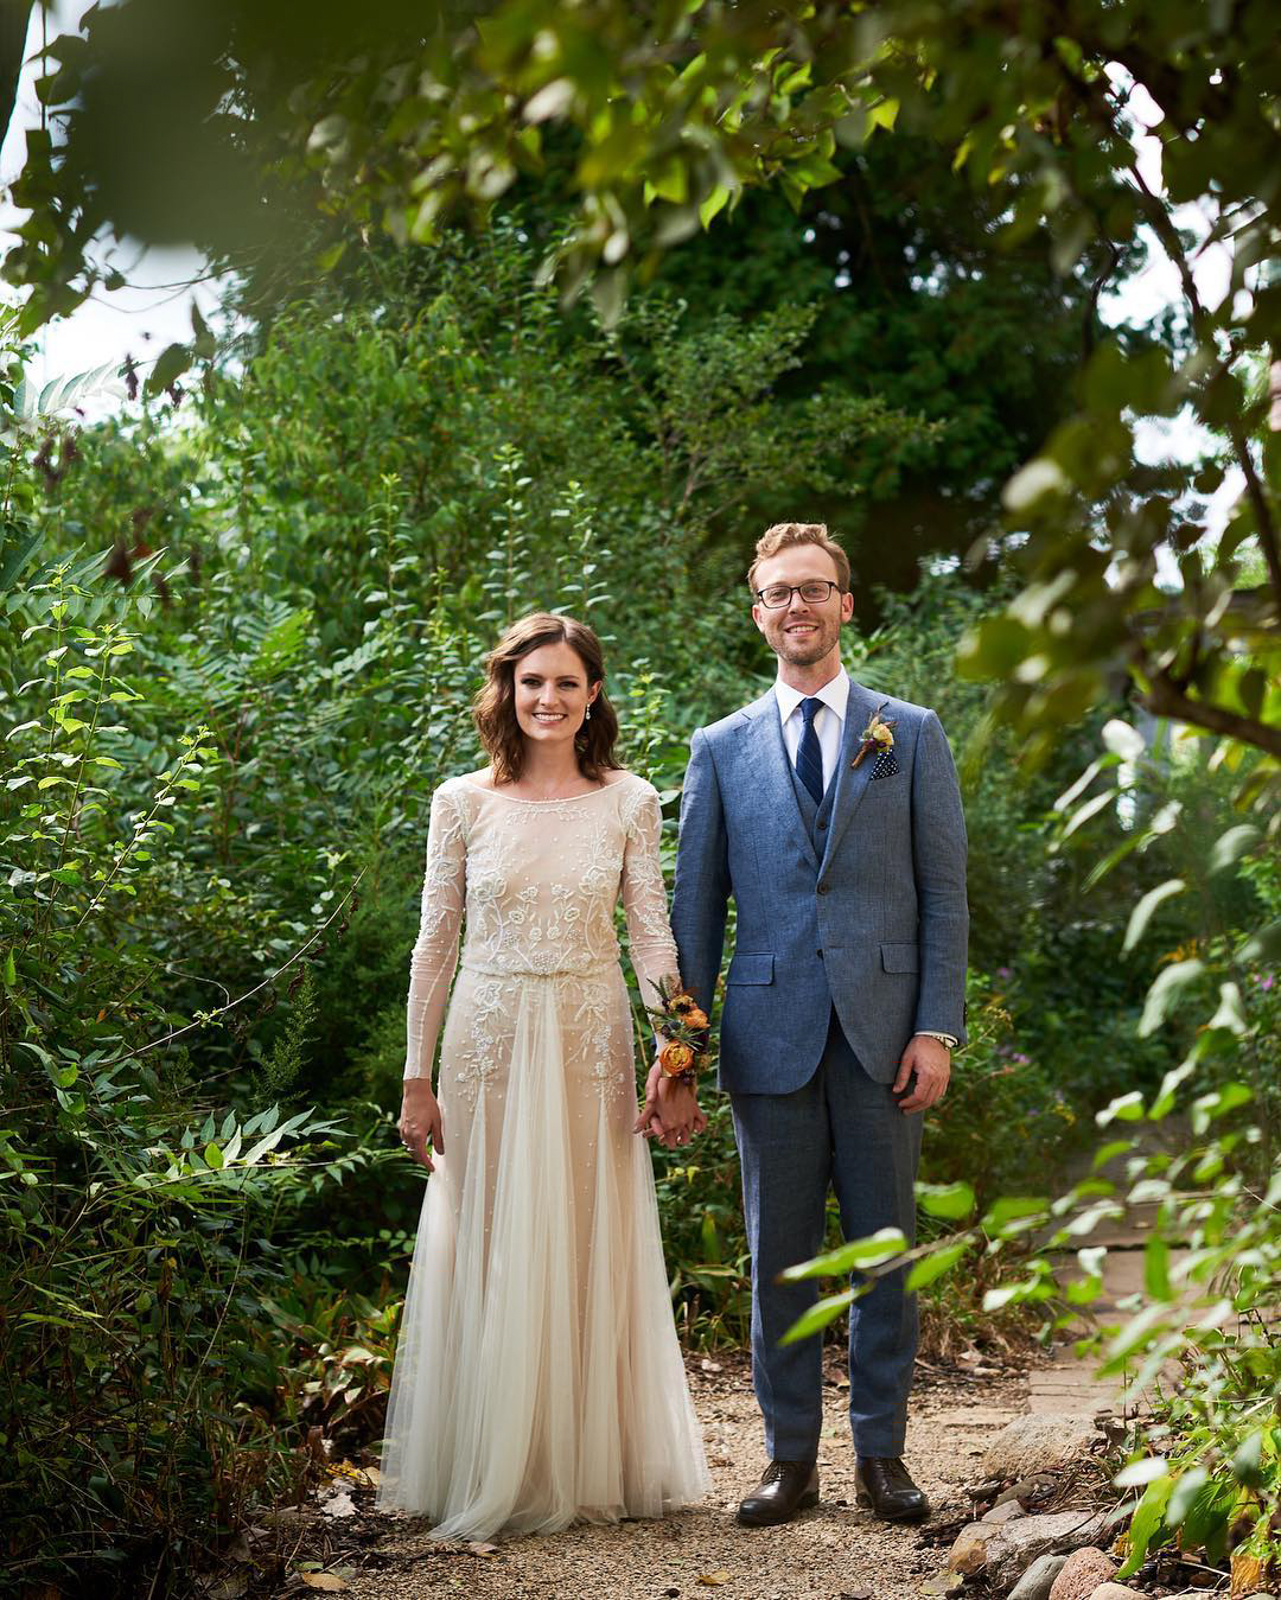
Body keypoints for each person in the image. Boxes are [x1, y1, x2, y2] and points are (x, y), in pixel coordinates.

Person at [375, 611, 709, 1538]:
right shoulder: (460, 802)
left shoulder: (630, 800)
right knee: (483, 1230)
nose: (548, 699)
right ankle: (488, 1459)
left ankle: (582, 1458)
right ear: (506, 691)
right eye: (532, 683)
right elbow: (433, 945)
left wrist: (674, 1057)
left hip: (586, 1030)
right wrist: (415, 1077)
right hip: (484, 1034)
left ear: (593, 694)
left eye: (566, 683)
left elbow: (649, 936)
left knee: (581, 1230)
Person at [667, 523, 968, 1529]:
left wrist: (937, 1026)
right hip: (768, 1038)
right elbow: (695, 915)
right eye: (777, 593)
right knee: (780, 1259)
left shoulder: (910, 732)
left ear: (846, 604)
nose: (796, 606)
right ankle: (788, 1458)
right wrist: (682, 1047)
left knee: (887, 1252)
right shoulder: (718, 747)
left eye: (814, 589)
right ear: (758, 616)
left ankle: (882, 1453)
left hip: (887, 1036)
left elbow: (945, 895)